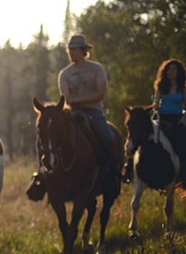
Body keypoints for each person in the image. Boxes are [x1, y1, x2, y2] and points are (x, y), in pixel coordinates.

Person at [29, 34, 119, 194]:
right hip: (71, 111)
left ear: (84, 51)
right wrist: (74, 102)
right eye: (70, 49)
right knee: (44, 135)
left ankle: (112, 174)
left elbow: (101, 93)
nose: (72, 52)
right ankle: (41, 173)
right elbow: (66, 98)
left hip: (94, 111)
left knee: (108, 137)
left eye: (75, 49)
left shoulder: (96, 69)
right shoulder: (64, 74)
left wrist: (78, 100)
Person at [123, 58, 186, 181]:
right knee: (139, 133)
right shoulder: (161, 87)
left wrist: (184, 117)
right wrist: (151, 108)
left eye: (173, 69)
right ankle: (129, 167)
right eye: (168, 69)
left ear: (179, 71)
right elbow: (156, 103)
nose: (170, 72)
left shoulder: (183, 89)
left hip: (178, 120)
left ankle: (182, 173)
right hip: (162, 119)